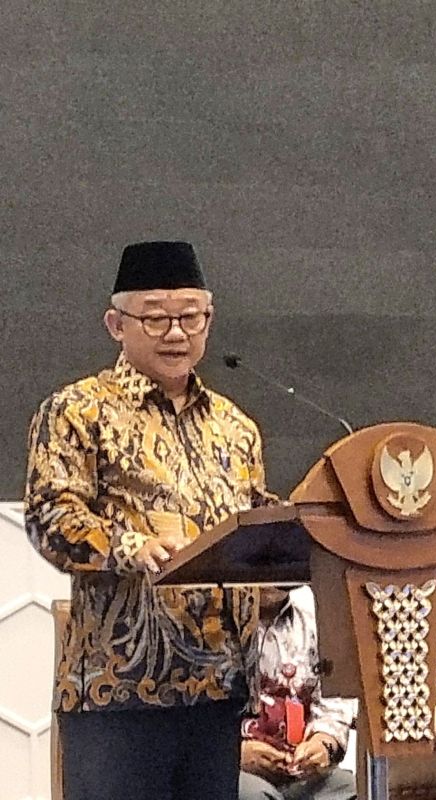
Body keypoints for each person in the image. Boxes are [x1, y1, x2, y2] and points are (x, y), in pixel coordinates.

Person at [25, 241, 273, 800]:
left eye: (191, 317)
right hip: (121, 692)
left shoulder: (236, 427)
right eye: (156, 318)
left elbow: (253, 519)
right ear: (116, 325)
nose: (176, 333)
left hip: (218, 690)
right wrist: (127, 545)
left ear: (209, 319)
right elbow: (49, 514)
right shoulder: (78, 410)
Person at [239, 585, 357, 800]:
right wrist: (235, 754)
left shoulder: (317, 611)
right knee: (254, 796)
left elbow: (334, 701)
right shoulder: (214, 619)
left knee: (350, 788)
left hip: (300, 768)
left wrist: (323, 743)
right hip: (237, 767)